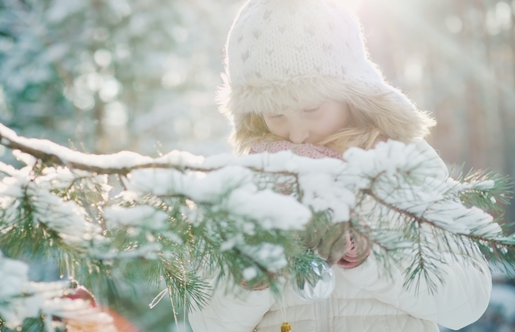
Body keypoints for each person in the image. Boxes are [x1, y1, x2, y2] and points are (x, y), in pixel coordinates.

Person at [189, 0, 492, 331]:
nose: (296, 132)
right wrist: (251, 278)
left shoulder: (403, 164)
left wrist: (370, 256)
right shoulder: (243, 184)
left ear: (351, 92)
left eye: (312, 108)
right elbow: (205, 322)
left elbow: (468, 302)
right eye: (276, 113)